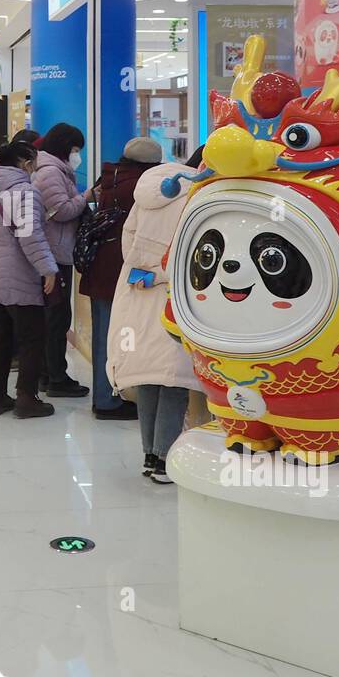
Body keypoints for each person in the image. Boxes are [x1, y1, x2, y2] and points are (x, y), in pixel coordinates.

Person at [107, 149, 209, 484]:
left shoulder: (148, 191)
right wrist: (165, 276)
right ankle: (165, 459)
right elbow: (192, 252)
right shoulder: (197, 195)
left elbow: (128, 242)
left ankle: (150, 454)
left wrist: (142, 273)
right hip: (175, 295)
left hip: (138, 290)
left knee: (148, 375)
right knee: (174, 378)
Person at [0, 141, 58, 419]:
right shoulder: (25, 192)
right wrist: (48, 268)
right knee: (32, 338)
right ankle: (26, 399)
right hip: (17, 278)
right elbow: (30, 236)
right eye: (33, 161)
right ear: (24, 162)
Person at [79, 137, 162, 419]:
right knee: (115, 338)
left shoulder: (112, 177)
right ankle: (107, 400)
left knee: (104, 335)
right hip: (121, 270)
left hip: (101, 266)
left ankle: (105, 396)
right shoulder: (142, 186)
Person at [32, 122, 93, 397]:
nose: (77, 155)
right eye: (76, 149)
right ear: (64, 147)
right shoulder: (50, 173)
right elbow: (61, 211)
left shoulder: (53, 170)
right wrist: (87, 197)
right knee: (56, 318)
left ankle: (49, 373)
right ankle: (55, 377)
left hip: (55, 251)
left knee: (54, 317)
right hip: (54, 254)